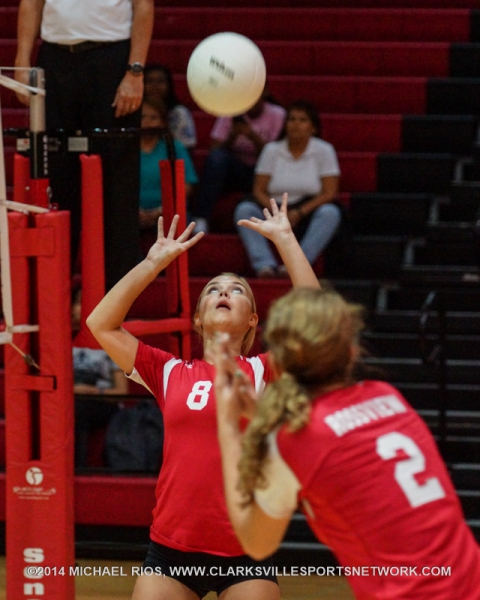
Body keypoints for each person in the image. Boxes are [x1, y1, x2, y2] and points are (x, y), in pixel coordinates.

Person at [86, 194, 319, 599]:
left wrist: (285, 241)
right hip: (171, 553)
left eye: (236, 289)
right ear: (198, 317)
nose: (223, 292)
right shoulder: (168, 371)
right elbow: (100, 324)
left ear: (252, 318)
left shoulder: (264, 371)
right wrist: (152, 263)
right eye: (213, 289)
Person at [213, 287, 480, 599]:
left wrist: (227, 423)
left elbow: (256, 543)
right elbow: (338, 437)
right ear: (352, 352)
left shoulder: (295, 443)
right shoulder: (386, 396)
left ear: (281, 365)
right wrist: (263, 418)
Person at [14, 0, 154, 290]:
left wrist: (135, 71)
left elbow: (143, 5)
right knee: (54, 182)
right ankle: (51, 294)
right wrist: (22, 60)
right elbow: (31, 3)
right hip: (55, 61)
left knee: (117, 187)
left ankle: (117, 301)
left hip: (112, 60)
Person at [234, 99, 342, 278]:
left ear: (313, 128)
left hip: (307, 210)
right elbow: (258, 190)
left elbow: (330, 192)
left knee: (330, 213)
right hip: (273, 207)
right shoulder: (271, 150)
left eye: (302, 120)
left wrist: (299, 213)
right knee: (244, 210)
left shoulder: (324, 150)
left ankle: (297, 264)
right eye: (292, 119)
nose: (296, 124)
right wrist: (277, 213)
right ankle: (264, 265)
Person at [192, 88, 286, 233]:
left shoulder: (278, 114)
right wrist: (232, 136)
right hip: (236, 169)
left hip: (265, 172)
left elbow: (278, 154)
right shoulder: (231, 110)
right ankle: (201, 217)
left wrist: (252, 136)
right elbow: (214, 149)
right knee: (217, 158)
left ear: (264, 93)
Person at [71, 289, 128, 468]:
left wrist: (88, 391)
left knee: (77, 410)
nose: (87, 308)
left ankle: (77, 469)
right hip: (68, 401)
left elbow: (121, 392)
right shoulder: (59, 341)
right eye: (80, 302)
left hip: (102, 402)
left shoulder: (113, 341)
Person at [140, 94, 198, 231]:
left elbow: (187, 184)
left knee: (182, 219)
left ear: (163, 121)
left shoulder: (175, 147)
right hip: (130, 213)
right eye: (142, 117)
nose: (147, 122)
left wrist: (161, 210)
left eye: (153, 118)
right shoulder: (126, 150)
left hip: (167, 212)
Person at [143, 63, 197, 151]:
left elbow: (187, 148)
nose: (155, 86)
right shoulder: (133, 111)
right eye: (149, 81)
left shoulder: (179, 113)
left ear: (169, 85)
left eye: (160, 81)